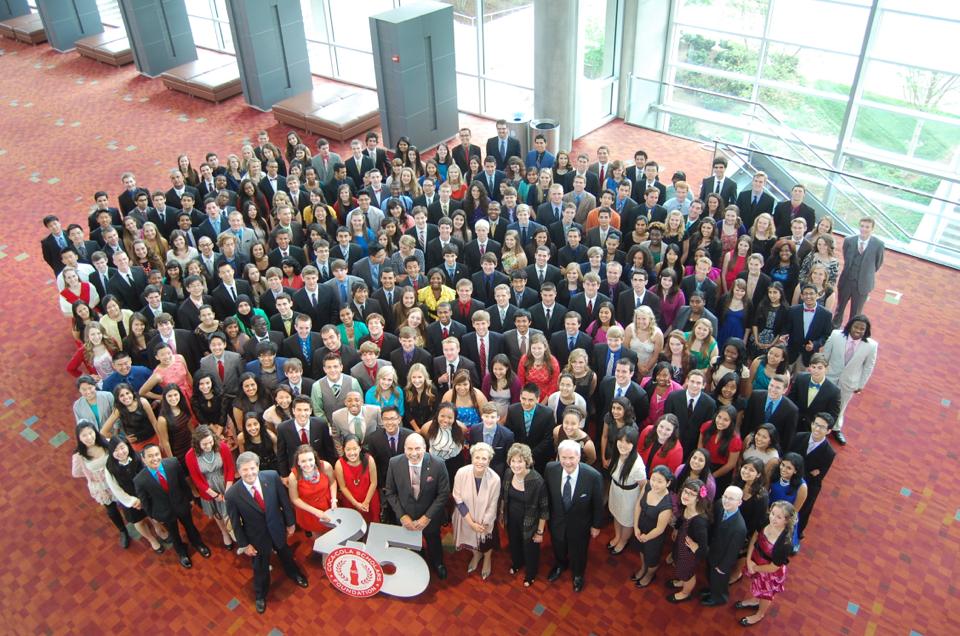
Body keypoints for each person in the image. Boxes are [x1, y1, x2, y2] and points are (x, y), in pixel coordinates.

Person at [226, 452, 309, 614]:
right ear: (238, 472)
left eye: (252, 468)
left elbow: (284, 502)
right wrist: (244, 545)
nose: (249, 473)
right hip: (256, 537)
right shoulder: (232, 495)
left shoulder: (271, 477)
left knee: (285, 554)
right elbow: (236, 523)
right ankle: (260, 595)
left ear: (258, 467)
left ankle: (294, 574)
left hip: (277, 528)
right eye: (245, 470)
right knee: (260, 567)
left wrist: (290, 523)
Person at [384, 433, 452, 579]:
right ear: (404, 449)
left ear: (425, 448)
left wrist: (427, 517)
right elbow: (389, 492)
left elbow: (443, 494)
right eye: (409, 449)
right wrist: (402, 515)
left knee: (433, 540)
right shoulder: (394, 463)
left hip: (430, 517)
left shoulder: (438, 464)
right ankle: (416, 559)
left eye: (417, 449)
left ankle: (438, 563)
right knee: (410, 544)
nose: (413, 453)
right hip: (405, 515)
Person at [134, 444, 212, 569]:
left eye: (156, 454)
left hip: (181, 504)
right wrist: (153, 516)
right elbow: (145, 502)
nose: (154, 458)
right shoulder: (140, 480)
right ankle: (182, 553)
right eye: (150, 456)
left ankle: (198, 544)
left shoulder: (173, 464)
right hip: (164, 511)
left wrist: (190, 499)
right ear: (143, 459)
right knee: (174, 534)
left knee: (190, 526)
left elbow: (183, 483)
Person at [545, 439, 604, 592]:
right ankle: (560, 565)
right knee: (558, 546)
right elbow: (547, 497)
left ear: (579, 457)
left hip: (580, 525)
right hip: (556, 522)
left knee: (579, 552)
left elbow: (598, 504)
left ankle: (578, 574)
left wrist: (596, 525)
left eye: (571, 458)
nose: (567, 462)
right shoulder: (550, 469)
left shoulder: (593, 476)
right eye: (564, 457)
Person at [103, 437, 169, 554]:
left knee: (152, 515)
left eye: (122, 447)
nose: (120, 452)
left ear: (127, 446)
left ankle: (159, 529)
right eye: (116, 450)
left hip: (145, 494)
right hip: (130, 500)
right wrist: (133, 501)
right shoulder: (110, 468)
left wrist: (146, 495)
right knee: (139, 521)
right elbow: (116, 489)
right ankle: (151, 539)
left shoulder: (137, 456)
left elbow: (148, 473)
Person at [71, 421, 130, 548]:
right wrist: (93, 476)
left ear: (95, 433)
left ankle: (137, 521)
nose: (89, 438)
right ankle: (123, 531)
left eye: (90, 433)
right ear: (79, 438)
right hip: (102, 486)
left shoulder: (106, 443)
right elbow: (76, 472)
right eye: (84, 435)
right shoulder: (79, 455)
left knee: (127, 502)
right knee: (112, 510)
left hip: (117, 479)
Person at [820, 314, 878, 445]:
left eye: (862, 329)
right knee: (822, 402)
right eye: (856, 327)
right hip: (830, 378)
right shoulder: (836, 335)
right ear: (850, 325)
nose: (858, 330)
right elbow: (825, 357)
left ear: (866, 330)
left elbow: (868, 367)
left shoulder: (871, 346)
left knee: (841, 406)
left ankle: (835, 428)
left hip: (849, 382)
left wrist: (861, 385)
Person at [737, 501, 797, 626]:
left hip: (769, 571)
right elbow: (755, 537)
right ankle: (754, 600)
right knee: (756, 585)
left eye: (779, 517)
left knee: (766, 594)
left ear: (787, 521)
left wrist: (756, 568)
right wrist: (749, 559)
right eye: (773, 513)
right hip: (756, 560)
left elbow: (774, 567)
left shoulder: (785, 543)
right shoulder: (766, 520)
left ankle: (760, 614)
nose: (773, 518)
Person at [500, 443, 549, 587]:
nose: (516, 465)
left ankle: (531, 574)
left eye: (520, 461)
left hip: (530, 522)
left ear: (527, 462)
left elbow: (544, 509)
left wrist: (540, 532)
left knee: (530, 549)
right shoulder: (509, 473)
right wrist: (502, 514)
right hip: (512, 518)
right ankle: (517, 563)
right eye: (513, 461)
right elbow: (504, 495)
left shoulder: (537, 481)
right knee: (514, 543)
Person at [452, 443, 502, 580]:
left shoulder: (495, 479)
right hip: (465, 516)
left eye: (484, 459)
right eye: (477, 457)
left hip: (485, 519)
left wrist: (483, 523)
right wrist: (471, 523)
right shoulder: (461, 473)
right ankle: (476, 555)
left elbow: (493, 504)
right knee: (470, 537)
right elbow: (458, 498)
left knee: (486, 540)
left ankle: (487, 558)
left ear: (489, 460)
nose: (480, 462)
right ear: (471, 458)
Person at [185, 425, 237, 550]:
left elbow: (230, 468)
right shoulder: (190, 456)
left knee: (230, 512)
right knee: (217, 513)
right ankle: (224, 532)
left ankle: (235, 531)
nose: (208, 446)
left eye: (210, 442)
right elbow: (197, 480)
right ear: (197, 444)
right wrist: (215, 495)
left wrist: (228, 488)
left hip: (224, 482)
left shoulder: (222, 447)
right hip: (208, 488)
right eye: (204, 444)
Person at [789, 413, 836, 538]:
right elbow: (788, 457)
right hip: (789, 477)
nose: (817, 429)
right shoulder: (799, 437)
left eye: (822, 427)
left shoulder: (829, 453)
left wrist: (797, 470)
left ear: (828, 431)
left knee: (803, 511)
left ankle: (796, 536)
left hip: (810, 485)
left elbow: (818, 477)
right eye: (815, 424)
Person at [700, 485, 746, 607]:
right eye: (725, 496)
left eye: (731, 499)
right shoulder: (720, 504)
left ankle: (719, 598)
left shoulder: (739, 528)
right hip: (712, 550)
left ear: (739, 502)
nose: (726, 500)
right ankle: (712, 590)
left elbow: (733, 551)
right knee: (710, 576)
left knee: (719, 580)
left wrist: (723, 567)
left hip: (722, 559)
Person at [833, 217, 884, 328]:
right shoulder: (849, 241)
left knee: (856, 313)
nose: (864, 229)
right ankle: (833, 330)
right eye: (862, 226)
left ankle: (849, 332)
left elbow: (877, 264)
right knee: (839, 309)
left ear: (872, 229)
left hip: (863, 285)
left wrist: (865, 273)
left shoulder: (878, 244)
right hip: (846, 281)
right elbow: (846, 257)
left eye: (867, 227)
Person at [667, 478, 711, 603]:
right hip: (682, 543)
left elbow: (704, 549)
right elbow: (681, 520)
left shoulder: (699, 521)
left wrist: (696, 548)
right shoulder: (686, 506)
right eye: (685, 492)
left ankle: (685, 593)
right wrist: (676, 529)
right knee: (680, 566)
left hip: (690, 553)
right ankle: (682, 581)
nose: (686, 496)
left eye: (692, 494)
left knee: (687, 572)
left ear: (698, 498)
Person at [631, 465, 674, 587]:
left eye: (660, 481)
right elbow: (639, 504)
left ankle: (650, 574)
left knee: (652, 558)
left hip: (653, 536)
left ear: (668, 483)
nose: (655, 484)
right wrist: (636, 527)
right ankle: (643, 568)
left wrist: (646, 537)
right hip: (641, 527)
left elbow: (660, 529)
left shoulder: (667, 505)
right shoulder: (648, 485)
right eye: (653, 479)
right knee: (641, 550)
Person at [607, 427, 646, 554]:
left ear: (634, 444)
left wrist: (639, 505)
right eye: (620, 441)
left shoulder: (638, 465)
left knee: (627, 521)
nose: (623, 445)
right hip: (615, 489)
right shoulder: (616, 453)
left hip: (629, 496)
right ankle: (618, 536)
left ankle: (623, 541)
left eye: (628, 442)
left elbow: (644, 486)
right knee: (616, 513)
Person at [334, 434, 381, 523]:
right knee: (354, 525)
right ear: (343, 449)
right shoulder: (339, 464)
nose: (352, 453)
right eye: (348, 449)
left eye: (355, 449)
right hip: (351, 501)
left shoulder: (369, 459)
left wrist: (366, 502)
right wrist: (355, 503)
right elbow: (342, 487)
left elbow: (374, 482)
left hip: (370, 499)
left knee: (373, 525)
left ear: (360, 448)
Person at [768, 452, 807, 552]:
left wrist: (782, 520)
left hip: (786, 516)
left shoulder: (801, 487)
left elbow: (795, 510)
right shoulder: (775, 473)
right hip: (770, 509)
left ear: (795, 471)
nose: (783, 469)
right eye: (783, 465)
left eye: (788, 468)